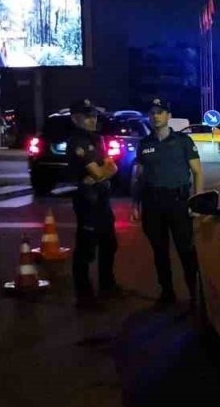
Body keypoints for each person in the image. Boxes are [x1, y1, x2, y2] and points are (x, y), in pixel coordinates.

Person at [131, 98, 203, 306]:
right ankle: (167, 293)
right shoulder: (145, 144)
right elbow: (139, 177)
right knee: (159, 251)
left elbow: (197, 172)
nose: (156, 116)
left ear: (169, 116)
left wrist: (196, 202)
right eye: (152, 112)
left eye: (160, 112)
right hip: (152, 204)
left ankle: (195, 294)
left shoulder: (183, 141)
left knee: (186, 250)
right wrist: (135, 205)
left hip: (178, 202)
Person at [66, 99, 119, 308]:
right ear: (75, 118)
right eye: (87, 116)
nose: (92, 120)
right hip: (87, 200)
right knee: (86, 248)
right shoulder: (78, 142)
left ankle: (107, 285)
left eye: (94, 116)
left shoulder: (95, 140)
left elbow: (112, 169)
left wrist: (102, 173)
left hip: (101, 198)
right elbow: (100, 171)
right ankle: (84, 294)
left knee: (109, 243)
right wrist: (103, 172)